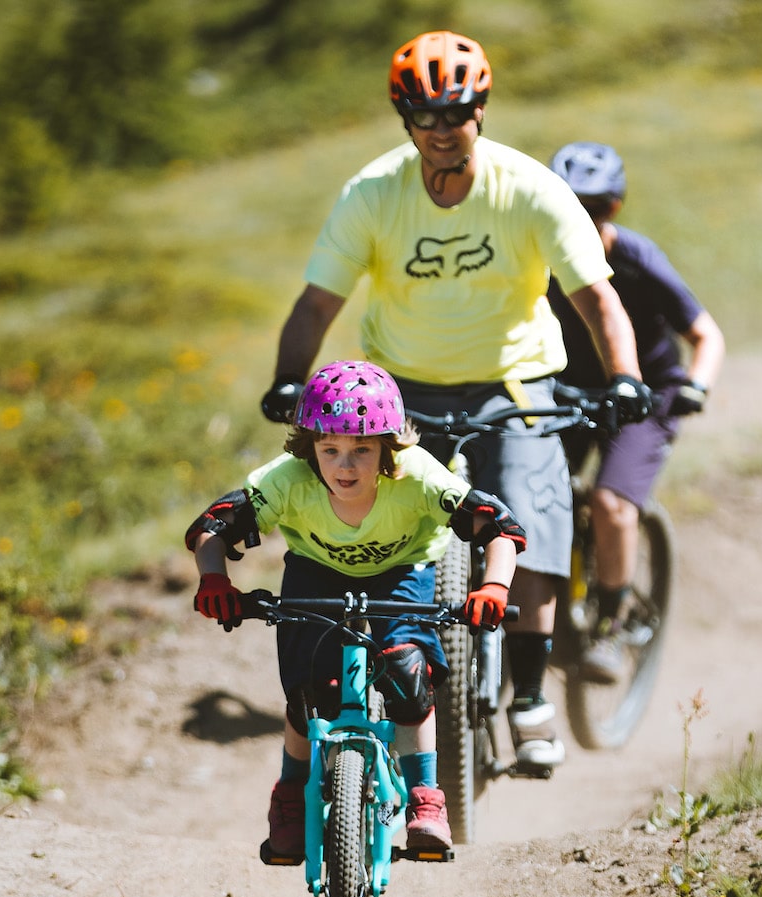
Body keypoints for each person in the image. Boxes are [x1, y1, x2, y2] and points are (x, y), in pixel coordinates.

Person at [258, 31, 651, 775]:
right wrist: (288, 378)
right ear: (404, 119)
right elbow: (316, 303)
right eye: (425, 115)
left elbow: (597, 298)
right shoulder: (374, 193)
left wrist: (624, 376)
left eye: (457, 113)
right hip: (401, 391)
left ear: (481, 111)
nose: (443, 130)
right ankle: (390, 675)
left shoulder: (529, 189)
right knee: (374, 514)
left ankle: (530, 697)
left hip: (515, 384)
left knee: (528, 515)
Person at [189, 360, 525, 857]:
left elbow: (500, 527)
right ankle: (289, 798)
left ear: (389, 447)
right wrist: (214, 578)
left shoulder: (419, 476)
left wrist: (494, 586)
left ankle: (425, 800)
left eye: (362, 450)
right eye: (330, 450)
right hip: (315, 570)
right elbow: (212, 528)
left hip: (404, 571)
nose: (345, 467)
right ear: (309, 448)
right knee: (308, 693)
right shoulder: (288, 479)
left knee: (409, 675)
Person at [546, 141, 726, 681]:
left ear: (614, 209)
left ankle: (613, 621)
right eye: (570, 205)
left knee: (612, 504)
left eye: (594, 207)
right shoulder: (538, 260)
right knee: (531, 490)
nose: (582, 217)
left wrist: (697, 386)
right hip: (568, 392)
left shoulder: (638, 260)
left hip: (647, 395)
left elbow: (706, 334)